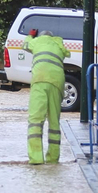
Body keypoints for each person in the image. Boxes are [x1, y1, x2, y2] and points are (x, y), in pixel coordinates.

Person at [24, 28, 69, 164]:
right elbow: (66, 53)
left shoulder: (37, 41)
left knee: (36, 119)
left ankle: (36, 158)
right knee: (54, 120)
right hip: (57, 81)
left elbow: (25, 44)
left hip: (40, 79)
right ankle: (53, 158)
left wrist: (30, 35)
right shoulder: (58, 44)